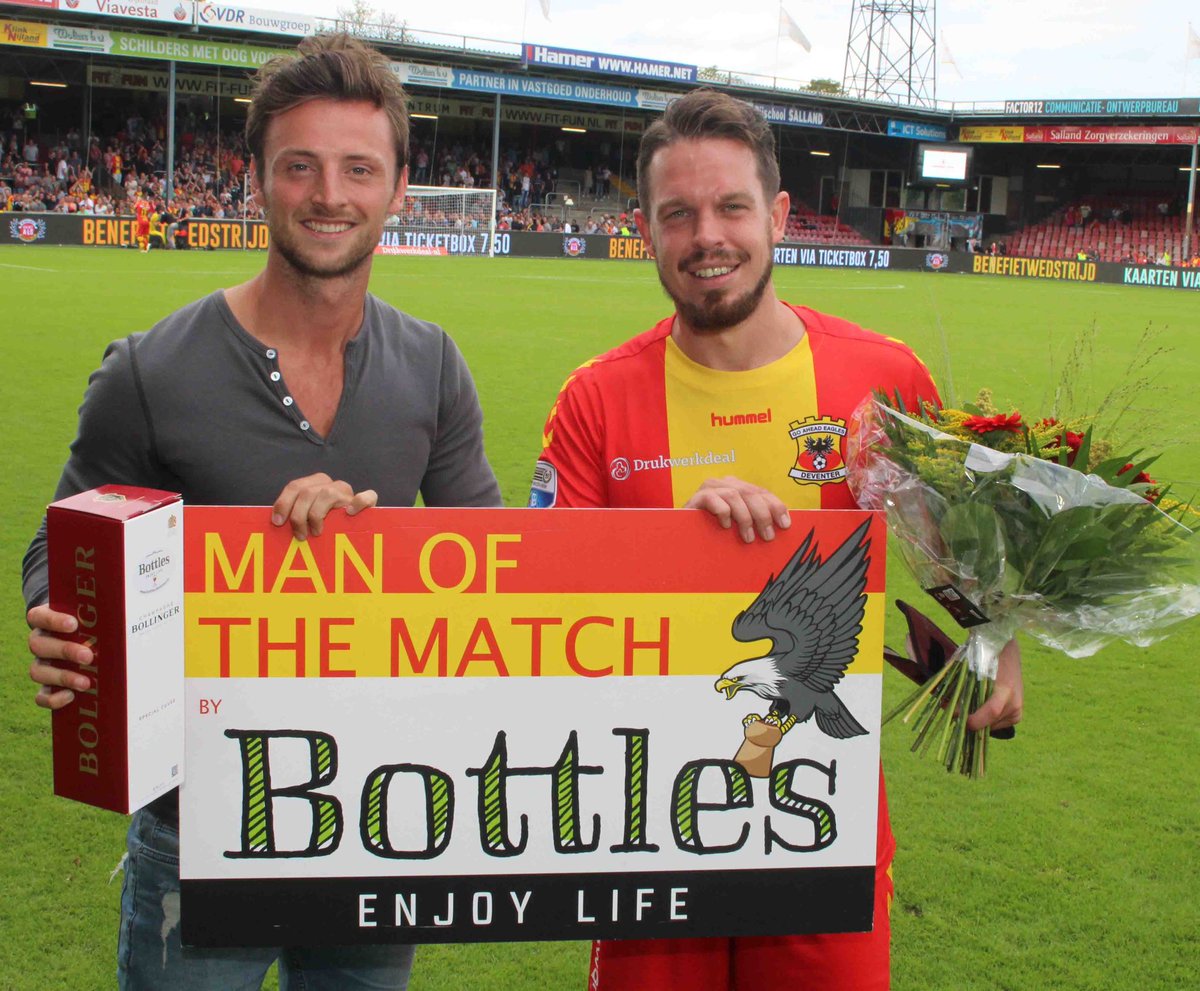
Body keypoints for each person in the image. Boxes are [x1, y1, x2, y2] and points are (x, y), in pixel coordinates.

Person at [24, 33, 500, 991]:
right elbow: (60, 541)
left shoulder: (434, 364)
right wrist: (60, 619)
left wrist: (377, 540)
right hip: (195, 825)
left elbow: (494, 563)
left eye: (359, 168)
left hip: (379, 818)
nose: (330, 194)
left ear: (400, 188)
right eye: (300, 166)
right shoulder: (149, 371)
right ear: (256, 181)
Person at [531, 88, 1022, 991]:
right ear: (645, 227)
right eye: (677, 213)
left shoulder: (880, 378)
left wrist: (997, 642)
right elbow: (542, 608)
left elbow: (949, 550)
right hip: (642, 819)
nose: (705, 235)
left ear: (780, 215)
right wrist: (676, 557)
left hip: (822, 818)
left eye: (730, 207)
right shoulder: (595, 400)